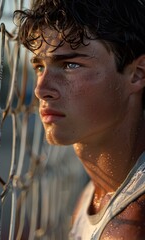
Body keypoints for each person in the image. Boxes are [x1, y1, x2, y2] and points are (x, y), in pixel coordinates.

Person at [14, 0, 145, 239]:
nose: (41, 89)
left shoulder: (132, 226)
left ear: (137, 75)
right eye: (40, 67)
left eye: (70, 65)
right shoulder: (96, 194)